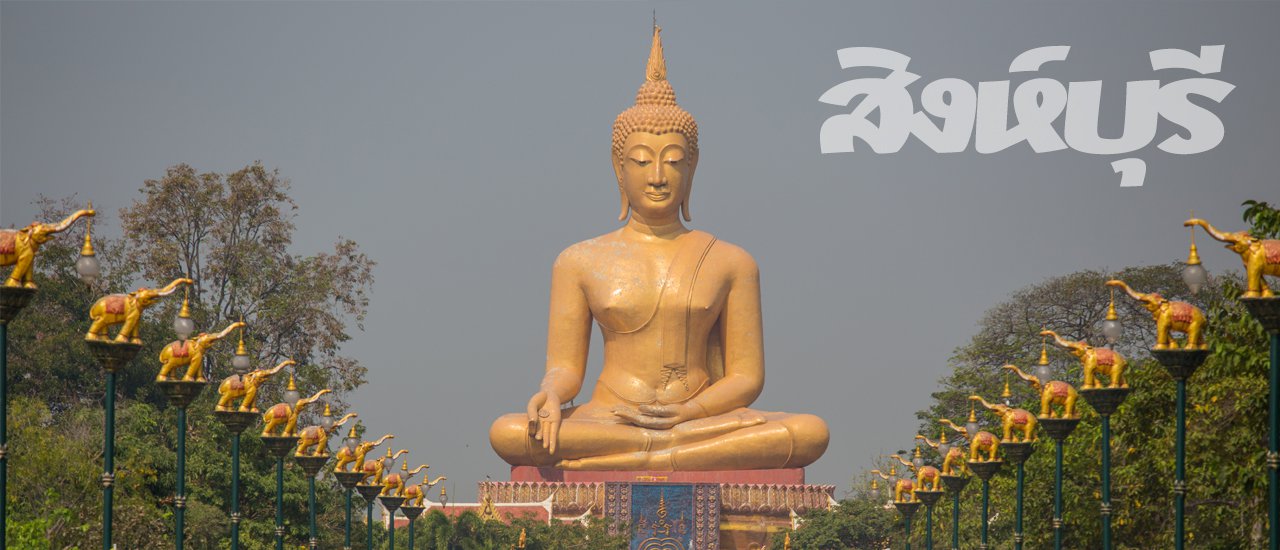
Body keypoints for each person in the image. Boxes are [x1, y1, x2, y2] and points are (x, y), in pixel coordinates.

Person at [489, 26, 828, 471]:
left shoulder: (730, 261)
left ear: (693, 168)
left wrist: (689, 414)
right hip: (610, 418)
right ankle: (659, 453)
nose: (657, 176)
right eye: (642, 160)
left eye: (672, 160)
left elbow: (747, 377)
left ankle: (652, 453)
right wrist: (551, 393)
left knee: (810, 431)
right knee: (510, 431)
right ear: (618, 168)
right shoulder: (579, 261)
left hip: (700, 419)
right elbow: (567, 367)